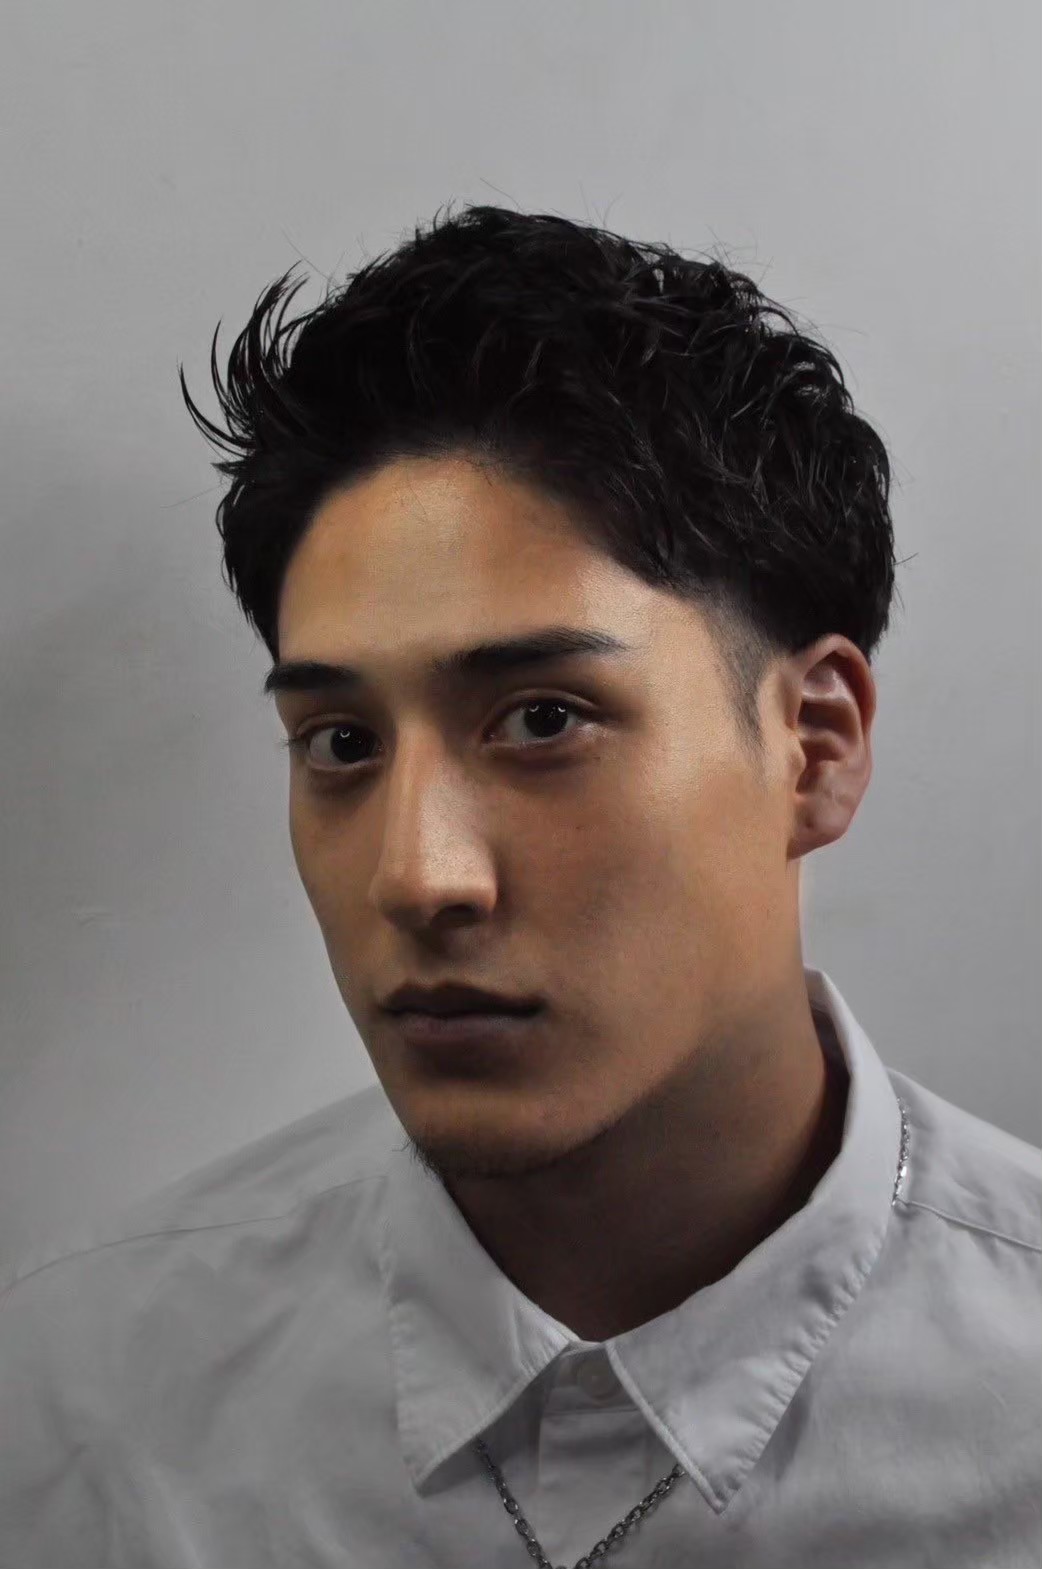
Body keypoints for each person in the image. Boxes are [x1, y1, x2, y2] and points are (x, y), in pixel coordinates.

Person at [1, 203, 1038, 1567]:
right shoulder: (81, 1398)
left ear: (814, 746)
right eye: (341, 743)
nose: (416, 876)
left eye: (544, 719)